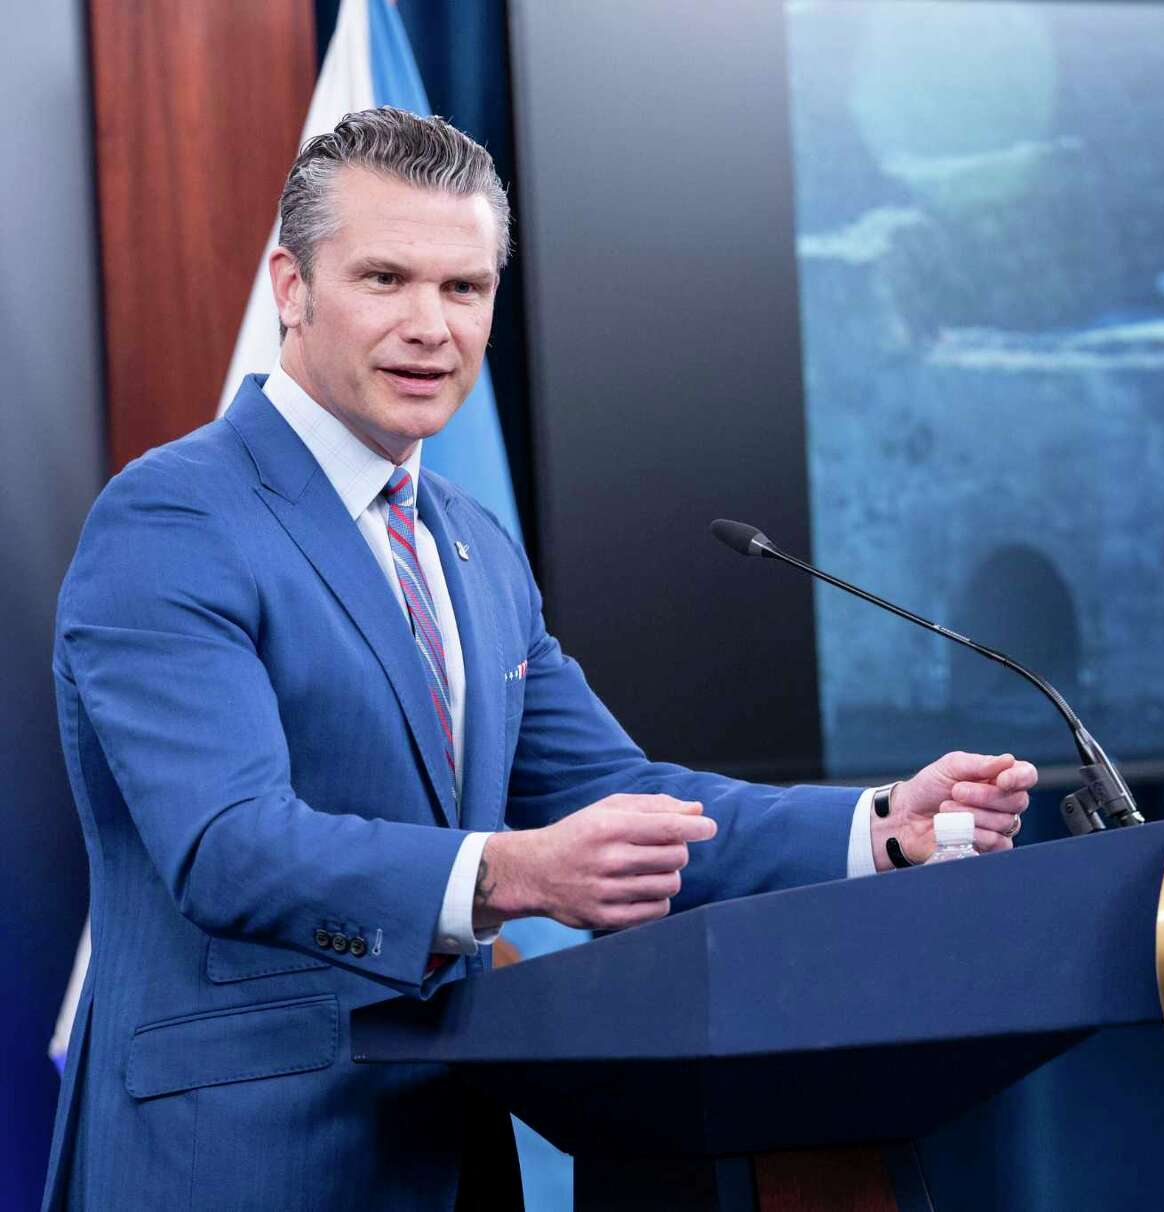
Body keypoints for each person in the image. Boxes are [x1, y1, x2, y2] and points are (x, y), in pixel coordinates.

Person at [44, 107, 1037, 1211]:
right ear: (291, 285)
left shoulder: (468, 542)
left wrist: (875, 827)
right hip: (237, 1159)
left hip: (448, 1146)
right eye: (386, 279)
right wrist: (514, 874)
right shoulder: (173, 517)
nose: (432, 326)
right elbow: (227, 847)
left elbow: (620, 798)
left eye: (464, 289)